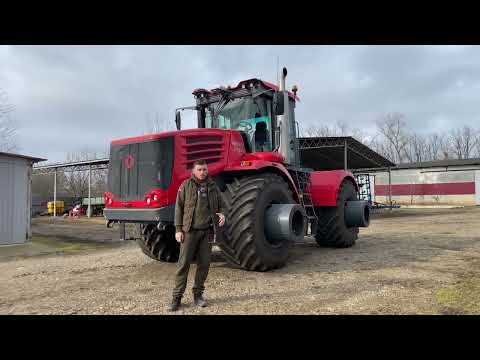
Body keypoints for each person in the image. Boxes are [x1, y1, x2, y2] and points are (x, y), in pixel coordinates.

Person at [169, 159, 226, 311]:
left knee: (204, 265)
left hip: (207, 232)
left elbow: (222, 204)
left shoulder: (213, 187)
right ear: (193, 171)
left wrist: (223, 214)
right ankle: (176, 298)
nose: (203, 172)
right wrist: (178, 229)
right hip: (189, 232)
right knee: (183, 265)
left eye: (205, 169)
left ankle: (198, 295)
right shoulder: (185, 186)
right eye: (199, 169)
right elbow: (178, 209)